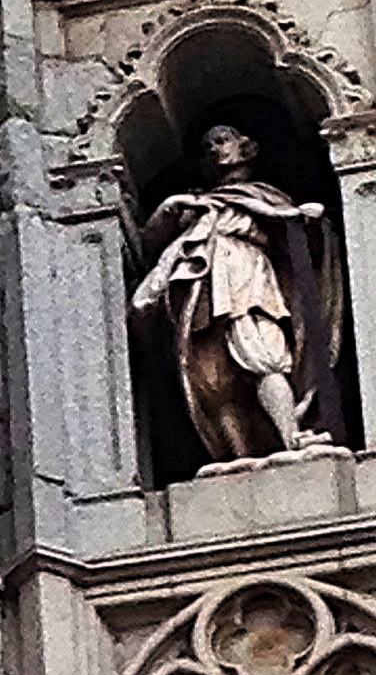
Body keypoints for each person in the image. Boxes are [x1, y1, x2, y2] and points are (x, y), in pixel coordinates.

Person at [131, 123, 342, 465]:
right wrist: (169, 208)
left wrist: (306, 221)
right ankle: (236, 456)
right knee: (213, 379)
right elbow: (147, 246)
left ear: (245, 147)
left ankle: (291, 437)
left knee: (264, 356)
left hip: (248, 280)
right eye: (208, 146)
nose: (215, 149)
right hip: (200, 291)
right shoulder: (198, 204)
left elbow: (303, 245)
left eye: (222, 141)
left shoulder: (265, 195)